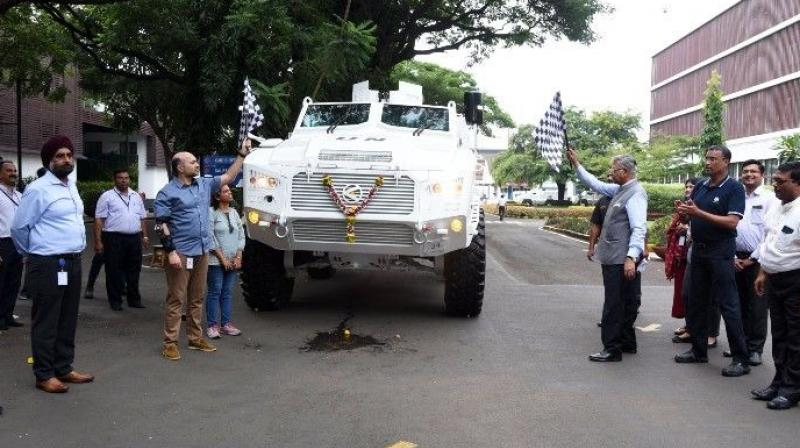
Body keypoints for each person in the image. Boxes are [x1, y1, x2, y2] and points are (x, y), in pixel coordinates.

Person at [154, 139, 250, 361]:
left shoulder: (204, 185)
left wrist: (241, 155)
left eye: (196, 162)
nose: (197, 164)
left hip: (202, 251)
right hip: (181, 253)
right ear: (180, 167)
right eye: (192, 162)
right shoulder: (168, 193)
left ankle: (195, 338)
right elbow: (162, 223)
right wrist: (171, 252)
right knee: (176, 299)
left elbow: (228, 177)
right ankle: (170, 343)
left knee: (197, 297)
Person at [11, 135, 94, 393]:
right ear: (49, 161)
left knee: (68, 317)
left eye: (69, 155)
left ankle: (64, 367)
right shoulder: (38, 189)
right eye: (60, 156)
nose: (66, 160)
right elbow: (19, 228)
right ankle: (44, 374)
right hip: (48, 263)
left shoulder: (71, 186)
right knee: (47, 319)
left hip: (73, 260)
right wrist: (35, 253)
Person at [674, 145, 750, 377]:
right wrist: (686, 213)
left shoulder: (734, 188)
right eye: (706, 158)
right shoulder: (700, 186)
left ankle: (740, 359)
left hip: (721, 252)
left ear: (726, 162)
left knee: (728, 304)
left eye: (713, 159)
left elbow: (731, 223)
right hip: (699, 252)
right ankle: (698, 350)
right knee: (696, 302)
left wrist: (699, 214)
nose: (707, 162)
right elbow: (693, 213)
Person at [567, 148, 647, 362]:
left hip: (621, 259)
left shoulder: (635, 193)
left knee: (614, 303)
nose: (611, 173)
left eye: (614, 170)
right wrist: (577, 165)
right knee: (626, 300)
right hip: (614, 256)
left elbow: (639, 228)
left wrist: (631, 257)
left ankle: (612, 348)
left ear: (626, 171)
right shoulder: (619, 189)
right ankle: (627, 342)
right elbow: (595, 183)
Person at [752, 161, 800, 410]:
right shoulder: (776, 207)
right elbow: (769, 242)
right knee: (779, 334)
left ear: (797, 184)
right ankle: (778, 382)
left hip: (795, 282)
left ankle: (792, 388)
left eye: (781, 181)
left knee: (796, 337)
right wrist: (763, 272)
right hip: (774, 278)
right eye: (775, 180)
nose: (775, 185)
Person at [720, 160, 775, 366]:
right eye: (745, 172)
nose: (749, 175)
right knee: (736, 304)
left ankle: (755, 349)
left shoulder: (770, 199)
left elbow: (770, 233)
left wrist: (752, 259)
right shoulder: (736, 196)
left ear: (762, 175)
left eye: (753, 171)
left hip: (758, 260)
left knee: (757, 306)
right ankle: (739, 346)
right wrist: (734, 257)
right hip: (733, 257)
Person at [93, 168, 149, 310]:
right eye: (120, 178)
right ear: (115, 179)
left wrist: (145, 236)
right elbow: (99, 219)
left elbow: (142, 218)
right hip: (113, 238)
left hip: (134, 238)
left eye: (126, 178)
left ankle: (134, 299)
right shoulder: (107, 196)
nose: (124, 180)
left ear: (129, 179)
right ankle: (115, 301)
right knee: (114, 270)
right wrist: (98, 241)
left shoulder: (136, 196)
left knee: (134, 269)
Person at [205, 184, 246, 339]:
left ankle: (226, 324)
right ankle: (212, 326)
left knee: (227, 293)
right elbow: (210, 236)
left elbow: (241, 235)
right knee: (215, 292)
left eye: (229, 191)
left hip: (233, 260)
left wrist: (238, 257)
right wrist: (222, 259)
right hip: (215, 261)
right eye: (226, 191)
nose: (230, 193)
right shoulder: (211, 212)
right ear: (217, 196)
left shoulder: (234, 212)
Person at [667, 178, 697, 340]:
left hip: (694, 255)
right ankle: (688, 325)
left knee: (691, 293)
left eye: (691, 186)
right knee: (682, 293)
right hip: (681, 255)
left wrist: (686, 228)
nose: (687, 189)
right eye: (686, 186)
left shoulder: (699, 206)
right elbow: (672, 228)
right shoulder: (684, 205)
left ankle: (694, 328)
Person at [0, 160, 24, 330]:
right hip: (2, 243)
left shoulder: (19, 195)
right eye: (9, 170)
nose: (13, 173)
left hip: (17, 243)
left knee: (14, 282)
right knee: (1, 282)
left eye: (15, 170)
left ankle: (8, 315)